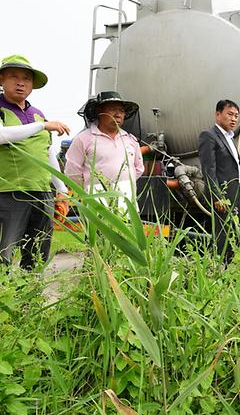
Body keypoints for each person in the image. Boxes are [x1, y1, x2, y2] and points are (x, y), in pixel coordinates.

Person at [0, 54, 71, 269]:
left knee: (38, 251)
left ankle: (31, 298)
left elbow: (48, 152)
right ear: (2, 79)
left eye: (26, 78)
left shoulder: (37, 114)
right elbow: (2, 135)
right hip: (9, 193)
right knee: (4, 251)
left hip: (41, 193)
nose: (21, 82)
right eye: (14, 76)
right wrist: (42, 126)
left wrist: (61, 188)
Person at [65, 91, 144, 213]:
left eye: (122, 111)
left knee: (127, 232)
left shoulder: (130, 140)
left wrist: (123, 185)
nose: (118, 114)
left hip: (126, 202)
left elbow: (138, 169)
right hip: (95, 201)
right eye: (113, 109)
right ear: (99, 112)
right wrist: (89, 189)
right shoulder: (83, 139)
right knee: (97, 232)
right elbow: (72, 172)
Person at [197, 99, 240, 262]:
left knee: (234, 232)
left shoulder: (231, 138)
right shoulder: (209, 136)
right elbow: (208, 170)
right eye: (229, 114)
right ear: (218, 114)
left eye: (236, 116)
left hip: (235, 192)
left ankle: (230, 267)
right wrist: (217, 197)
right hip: (222, 195)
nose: (233, 119)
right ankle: (221, 267)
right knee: (223, 234)